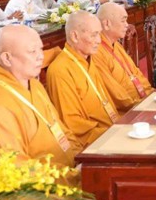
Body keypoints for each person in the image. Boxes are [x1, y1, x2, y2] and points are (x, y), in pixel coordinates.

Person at [0, 24, 82, 168]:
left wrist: (81, 158)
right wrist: (72, 175)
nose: (41, 56)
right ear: (7, 58)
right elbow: (14, 169)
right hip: (49, 179)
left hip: (73, 166)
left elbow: (61, 129)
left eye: (41, 49)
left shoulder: (33, 84)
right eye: (32, 51)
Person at [45, 12, 119, 146]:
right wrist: (113, 134)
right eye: (94, 35)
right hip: (95, 140)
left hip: (111, 126)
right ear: (75, 36)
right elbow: (73, 123)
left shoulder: (88, 59)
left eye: (99, 34)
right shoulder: (60, 70)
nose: (99, 40)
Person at [94, 3, 153, 113]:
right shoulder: (96, 52)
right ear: (106, 24)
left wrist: (150, 94)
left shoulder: (116, 44)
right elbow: (115, 93)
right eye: (123, 21)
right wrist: (142, 104)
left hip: (142, 101)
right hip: (128, 112)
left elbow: (136, 72)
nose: (127, 25)